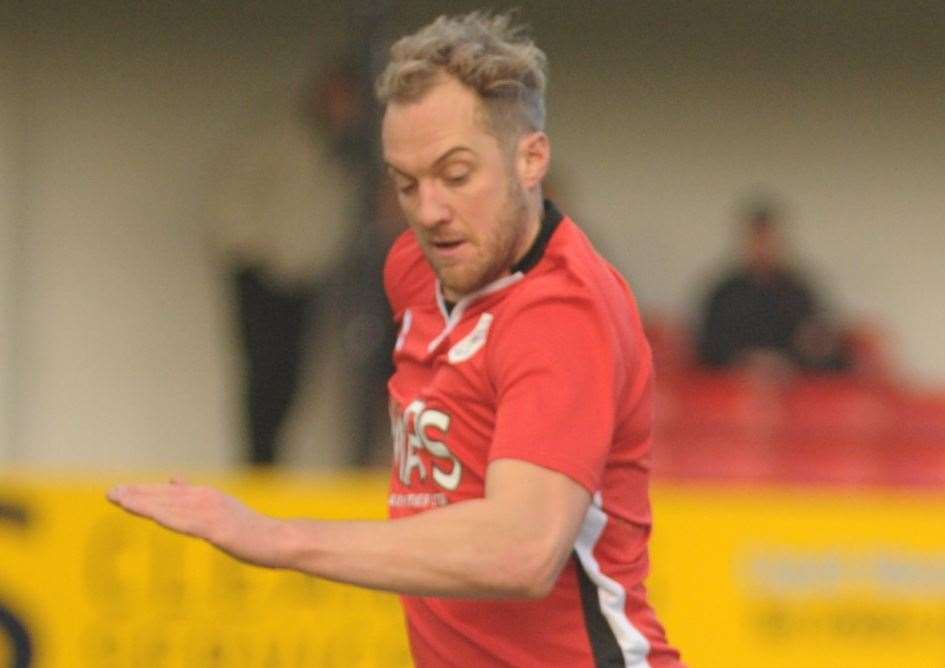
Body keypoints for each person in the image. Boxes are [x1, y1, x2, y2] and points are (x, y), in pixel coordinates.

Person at [109, 12, 684, 667]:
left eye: (456, 174)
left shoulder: (561, 312)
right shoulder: (414, 270)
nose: (429, 209)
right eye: (406, 182)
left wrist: (274, 537)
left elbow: (521, 551)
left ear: (531, 159)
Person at [696, 201, 850, 374]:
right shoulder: (724, 294)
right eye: (757, 240)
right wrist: (747, 362)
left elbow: (821, 346)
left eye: (768, 240)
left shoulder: (800, 293)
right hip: (733, 383)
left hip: (792, 383)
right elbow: (708, 347)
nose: (763, 248)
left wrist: (787, 362)